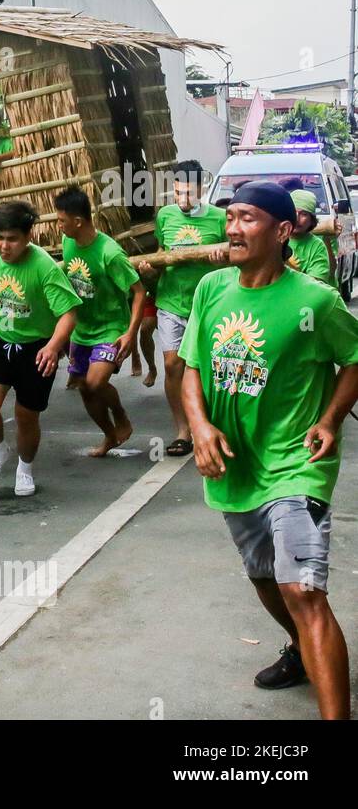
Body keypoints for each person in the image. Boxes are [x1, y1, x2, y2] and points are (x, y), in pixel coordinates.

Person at [179, 180, 357, 720]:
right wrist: (200, 427)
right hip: (235, 466)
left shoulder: (315, 300)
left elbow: (354, 357)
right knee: (263, 576)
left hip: (297, 464)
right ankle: (302, 650)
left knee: (302, 590)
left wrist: (330, 418)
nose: (233, 228)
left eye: (248, 218)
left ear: (281, 231)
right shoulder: (211, 288)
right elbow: (191, 368)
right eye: (230, 216)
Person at [0, 200, 81, 496]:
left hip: (35, 349)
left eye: (12, 239)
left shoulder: (44, 267)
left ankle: (25, 468)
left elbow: (68, 314)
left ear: (29, 236)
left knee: (26, 416)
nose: (4, 246)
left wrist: (53, 347)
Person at [137, 159, 228, 458]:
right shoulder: (165, 216)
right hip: (171, 303)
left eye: (189, 193)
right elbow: (162, 255)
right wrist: (151, 271)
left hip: (208, 306)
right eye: (177, 193)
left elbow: (235, 262)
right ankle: (182, 431)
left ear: (201, 189)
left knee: (209, 367)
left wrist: (221, 261)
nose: (183, 199)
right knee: (173, 365)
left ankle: (211, 422)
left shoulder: (220, 219)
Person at [55, 186, 146, 457]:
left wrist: (130, 333)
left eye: (61, 220)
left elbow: (139, 292)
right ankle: (109, 435)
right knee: (84, 387)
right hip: (81, 328)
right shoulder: (68, 242)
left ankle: (120, 414)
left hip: (110, 327)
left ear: (78, 221)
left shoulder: (110, 253)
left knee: (95, 382)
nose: (58, 225)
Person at [286, 189, 337, 289]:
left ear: (311, 220)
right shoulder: (274, 239)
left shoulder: (317, 245)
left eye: (304, 214)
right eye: (294, 212)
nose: (297, 218)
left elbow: (315, 285)